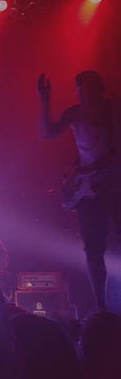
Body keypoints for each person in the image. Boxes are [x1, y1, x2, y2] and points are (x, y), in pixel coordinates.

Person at [37, 71, 121, 310]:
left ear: (100, 89)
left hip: (114, 182)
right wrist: (45, 101)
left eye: (89, 89)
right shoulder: (75, 112)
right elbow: (48, 133)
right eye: (80, 91)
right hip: (87, 187)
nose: (84, 95)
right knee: (93, 249)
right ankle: (101, 307)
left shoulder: (115, 109)